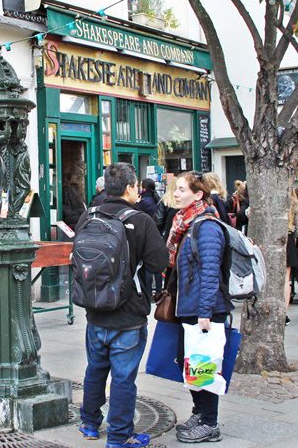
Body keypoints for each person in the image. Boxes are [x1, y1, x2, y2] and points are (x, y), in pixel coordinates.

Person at [77, 163, 168, 448]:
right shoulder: (140, 220)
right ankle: (119, 437)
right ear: (130, 188)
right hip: (128, 313)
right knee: (123, 378)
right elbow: (159, 263)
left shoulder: (88, 215)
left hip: (95, 310)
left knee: (95, 368)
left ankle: (90, 423)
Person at [169, 171, 232, 443]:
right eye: (176, 189)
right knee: (191, 364)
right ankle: (199, 411)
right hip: (191, 306)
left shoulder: (206, 226)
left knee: (204, 365)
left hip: (204, 309)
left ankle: (210, 423)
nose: (176, 193)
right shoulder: (187, 223)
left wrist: (205, 312)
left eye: (182, 189)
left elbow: (210, 272)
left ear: (198, 195)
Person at [136, 178, 163, 297]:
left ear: (144, 188)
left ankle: (147, 291)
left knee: (147, 266)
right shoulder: (156, 199)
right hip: (157, 234)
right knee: (156, 266)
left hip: (147, 235)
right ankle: (158, 290)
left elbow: (137, 214)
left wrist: (136, 203)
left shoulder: (144, 201)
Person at [285, 187, 298, 324]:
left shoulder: (266, 198)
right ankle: (283, 313)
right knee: (285, 279)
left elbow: (248, 213)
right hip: (288, 238)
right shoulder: (294, 203)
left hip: (268, 241)